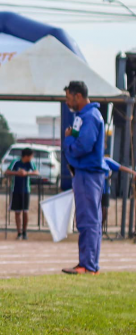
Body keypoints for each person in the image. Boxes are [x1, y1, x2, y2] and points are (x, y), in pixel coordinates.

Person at [62, 81, 105, 275]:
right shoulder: (85, 116)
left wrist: (69, 140)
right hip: (87, 174)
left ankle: (87, 265)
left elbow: (84, 146)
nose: (66, 101)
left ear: (78, 96)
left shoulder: (90, 117)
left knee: (87, 220)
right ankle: (88, 264)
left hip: (88, 174)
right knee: (90, 219)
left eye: (68, 97)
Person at [4, 147, 39, 240]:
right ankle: (19, 232)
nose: (32, 158)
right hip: (16, 189)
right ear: (26, 156)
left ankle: (24, 232)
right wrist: (17, 173)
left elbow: (36, 172)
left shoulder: (30, 163)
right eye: (31, 156)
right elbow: (7, 171)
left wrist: (26, 173)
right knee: (17, 212)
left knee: (25, 211)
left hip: (26, 190)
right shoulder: (16, 162)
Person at [101, 156, 136, 234]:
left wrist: (133, 172)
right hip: (93, 191)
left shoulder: (106, 161)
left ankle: (99, 229)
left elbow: (120, 167)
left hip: (105, 190)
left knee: (104, 210)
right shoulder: (90, 160)